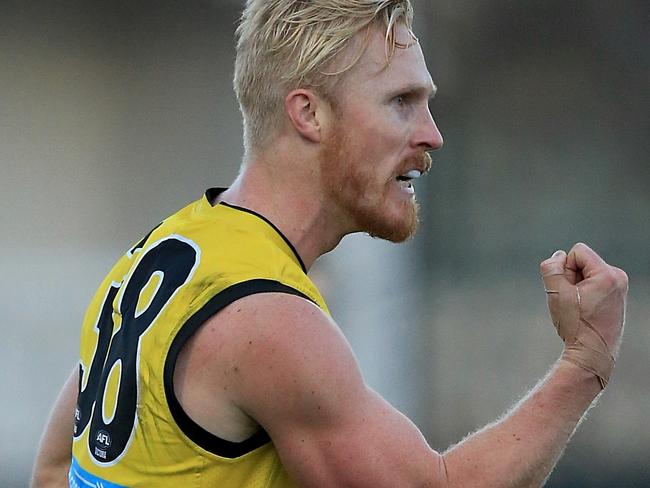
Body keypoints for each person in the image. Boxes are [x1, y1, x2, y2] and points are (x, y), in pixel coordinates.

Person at [32, 1, 628, 487]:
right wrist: (585, 361)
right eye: (402, 102)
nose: (433, 135)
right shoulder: (267, 319)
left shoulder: (169, 246)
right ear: (309, 113)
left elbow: (57, 469)